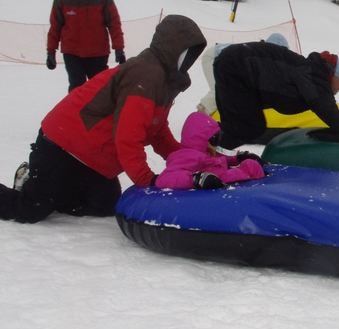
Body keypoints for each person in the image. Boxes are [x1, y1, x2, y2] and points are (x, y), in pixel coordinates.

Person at [0, 14, 207, 224]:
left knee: (104, 205)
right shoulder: (146, 74)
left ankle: (53, 188)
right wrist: (149, 180)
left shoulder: (164, 79)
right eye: (187, 51)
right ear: (174, 48)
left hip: (93, 158)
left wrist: (189, 159)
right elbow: (127, 138)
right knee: (29, 209)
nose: (189, 58)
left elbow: (158, 131)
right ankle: (37, 183)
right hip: (63, 146)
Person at [213, 41, 339, 150]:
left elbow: (335, 116)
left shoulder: (314, 73)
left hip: (234, 64)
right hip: (235, 67)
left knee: (238, 125)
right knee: (251, 127)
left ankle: (207, 148)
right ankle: (207, 151)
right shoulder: (314, 80)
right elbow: (333, 118)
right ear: (335, 75)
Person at [46, 0, 126, 91]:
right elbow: (55, 26)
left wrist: (119, 48)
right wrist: (50, 51)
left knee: (99, 89)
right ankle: (75, 112)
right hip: (72, 54)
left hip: (98, 53)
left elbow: (114, 23)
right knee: (76, 88)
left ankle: (100, 112)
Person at [155, 112, 265, 190]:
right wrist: (195, 179)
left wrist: (238, 156)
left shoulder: (209, 150)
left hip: (221, 182)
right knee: (250, 167)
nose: (217, 144)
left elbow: (223, 155)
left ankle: (264, 190)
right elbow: (163, 179)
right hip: (216, 185)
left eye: (218, 138)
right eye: (215, 139)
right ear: (203, 141)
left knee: (251, 165)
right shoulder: (186, 157)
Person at [197, 32, 289, 114]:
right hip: (213, 57)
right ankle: (200, 114)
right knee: (219, 91)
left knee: (229, 93)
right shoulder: (257, 55)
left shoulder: (262, 56)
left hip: (224, 61)